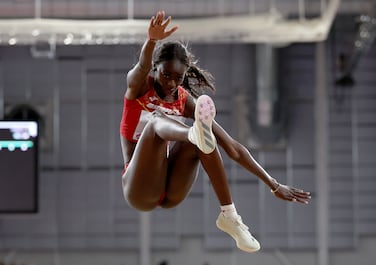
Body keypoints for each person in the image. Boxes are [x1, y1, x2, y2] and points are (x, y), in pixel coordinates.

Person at [120, 11, 311, 253]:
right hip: (139, 188)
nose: (170, 83)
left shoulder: (184, 100)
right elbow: (141, 65)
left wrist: (273, 184)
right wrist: (151, 41)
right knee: (158, 121)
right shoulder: (138, 86)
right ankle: (193, 134)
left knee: (205, 140)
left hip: (171, 191)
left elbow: (232, 148)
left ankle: (229, 216)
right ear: (155, 69)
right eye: (165, 74)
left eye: (177, 78)